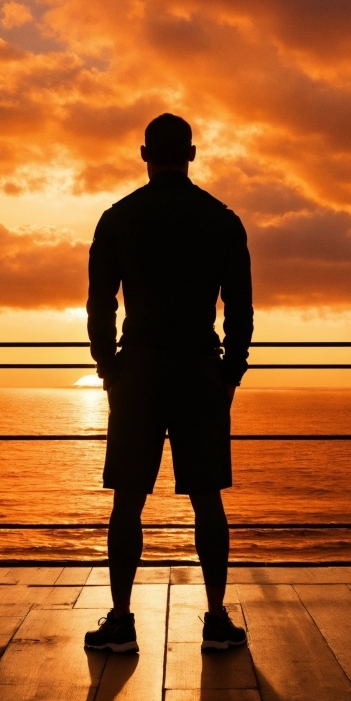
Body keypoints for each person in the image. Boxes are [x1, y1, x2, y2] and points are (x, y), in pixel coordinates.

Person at [84, 113, 253, 653]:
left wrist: (108, 367)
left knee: (128, 501)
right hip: (199, 371)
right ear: (193, 154)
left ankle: (120, 620)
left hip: (139, 372)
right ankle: (217, 620)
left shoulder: (118, 219)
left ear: (143, 154)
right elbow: (241, 309)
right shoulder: (222, 221)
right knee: (208, 501)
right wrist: (230, 371)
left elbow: (100, 305)